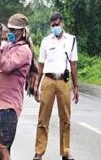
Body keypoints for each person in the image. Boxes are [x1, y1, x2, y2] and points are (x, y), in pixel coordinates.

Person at [0, 13, 34, 160]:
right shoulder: (9, 46)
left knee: (2, 146)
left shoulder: (24, 51)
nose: (11, 33)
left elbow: (5, 65)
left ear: (23, 31)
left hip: (9, 105)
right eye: (10, 29)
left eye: (14, 30)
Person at [33, 12, 78, 160]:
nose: (55, 27)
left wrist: (76, 87)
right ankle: (39, 152)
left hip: (64, 82)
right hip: (48, 80)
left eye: (57, 25)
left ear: (62, 23)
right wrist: (36, 85)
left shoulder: (71, 40)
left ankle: (65, 151)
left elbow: (73, 64)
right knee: (43, 118)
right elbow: (40, 65)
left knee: (65, 118)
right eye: (52, 25)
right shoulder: (46, 41)